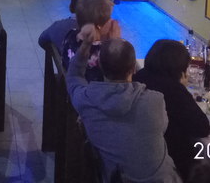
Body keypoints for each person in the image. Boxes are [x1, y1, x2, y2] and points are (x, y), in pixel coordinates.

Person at [66, 25, 181, 183]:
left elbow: (73, 76)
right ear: (133, 68)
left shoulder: (86, 101)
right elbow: (162, 128)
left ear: (100, 65)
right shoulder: (155, 101)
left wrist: (86, 45)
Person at [134, 40, 210, 179]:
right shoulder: (173, 90)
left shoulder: (139, 76)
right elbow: (202, 128)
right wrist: (182, 87)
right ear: (179, 69)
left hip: (140, 153)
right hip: (171, 161)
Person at [61, 0, 118, 81]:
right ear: (99, 25)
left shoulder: (71, 34)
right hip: (92, 88)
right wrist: (114, 42)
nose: (112, 21)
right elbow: (117, 76)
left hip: (71, 84)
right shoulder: (101, 52)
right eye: (109, 18)